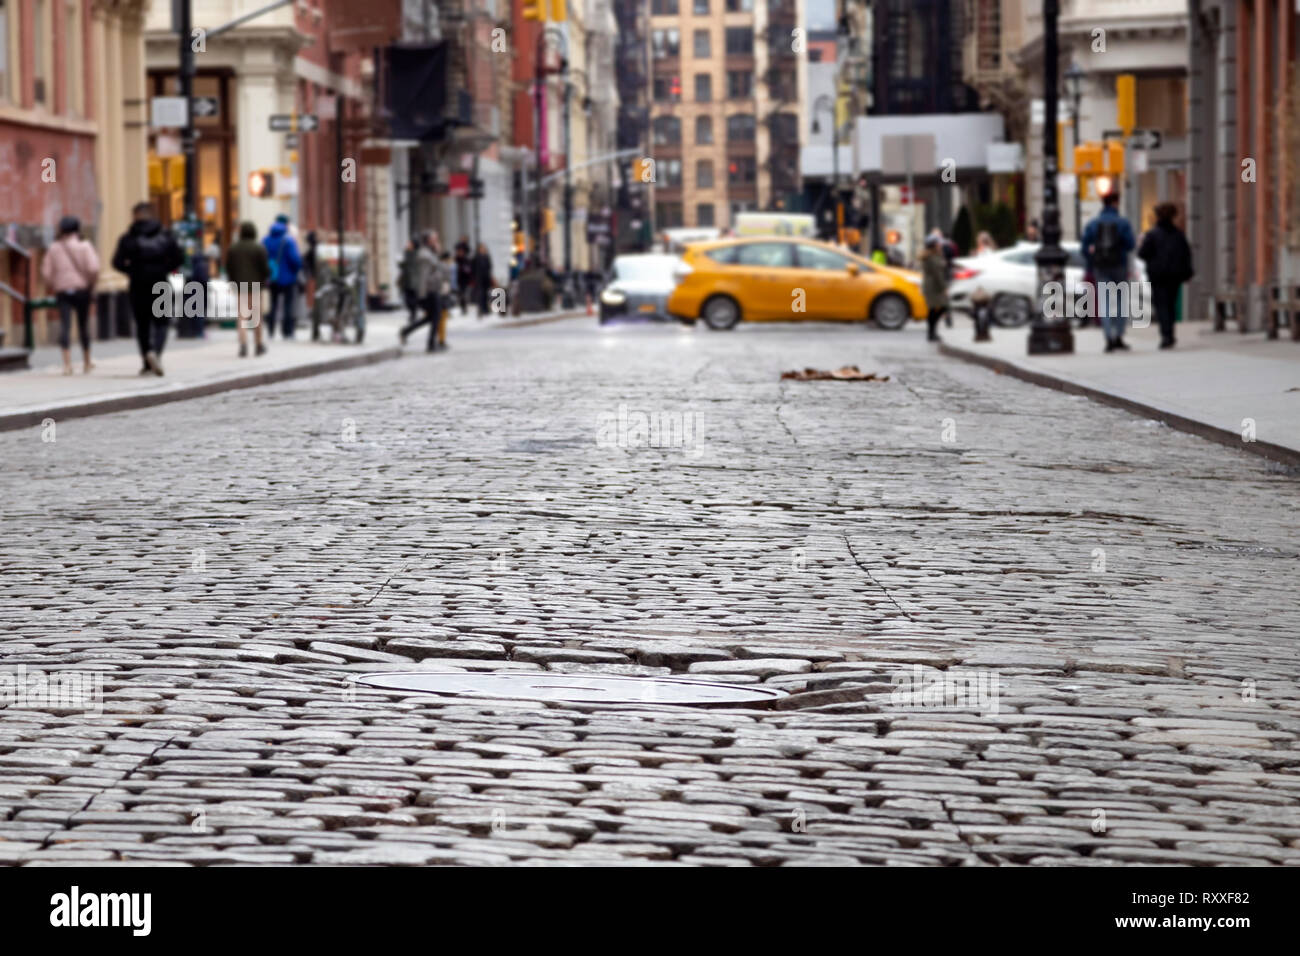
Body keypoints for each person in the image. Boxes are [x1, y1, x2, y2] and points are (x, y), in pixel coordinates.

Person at [112, 201, 183, 376]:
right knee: (162, 322)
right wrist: (164, 268)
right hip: (160, 281)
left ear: (135, 216)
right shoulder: (166, 236)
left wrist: (132, 270)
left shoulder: (129, 238)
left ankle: (146, 358)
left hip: (138, 284)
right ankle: (156, 353)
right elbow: (178, 258)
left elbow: (117, 262)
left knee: (142, 324)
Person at [41, 216, 100, 375]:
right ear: (77, 229)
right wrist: (91, 283)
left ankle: (67, 365)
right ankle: (87, 362)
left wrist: (54, 283)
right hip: (82, 291)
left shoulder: (54, 248)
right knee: (83, 326)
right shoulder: (85, 246)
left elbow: (46, 273)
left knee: (65, 326)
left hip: (62, 291)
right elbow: (93, 268)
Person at [1082, 189, 1137, 352]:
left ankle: (1108, 337)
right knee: (1121, 301)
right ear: (1116, 203)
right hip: (1119, 265)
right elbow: (1131, 245)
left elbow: (1084, 248)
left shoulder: (1093, 223)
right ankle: (1119, 335)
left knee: (1104, 302)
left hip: (1101, 266)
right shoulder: (1123, 223)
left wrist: (1093, 260)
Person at [1138, 202, 1194, 349]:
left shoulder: (1152, 235)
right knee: (1170, 304)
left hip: (1158, 275)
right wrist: (1187, 272)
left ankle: (1166, 335)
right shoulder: (1178, 234)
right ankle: (1169, 333)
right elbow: (1186, 255)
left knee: (1161, 304)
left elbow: (1142, 253)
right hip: (1174, 275)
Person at [225, 221, 270, 358]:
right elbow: (264, 268)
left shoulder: (234, 248)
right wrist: (264, 278)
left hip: (240, 286)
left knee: (242, 317)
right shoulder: (259, 248)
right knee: (256, 317)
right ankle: (258, 344)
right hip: (256, 286)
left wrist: (232, 282)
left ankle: (243, 344)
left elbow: (229, 268)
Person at [399, 232, 449, 351]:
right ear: (428, 241)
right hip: (429, 291)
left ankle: (406, 331)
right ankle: (431, 344)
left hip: (434, 289)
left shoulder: (430, 254)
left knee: (431, 317)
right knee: (436, 316)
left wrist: (437, 252)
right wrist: (421, 295)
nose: (437, 241)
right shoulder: (424, 255)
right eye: (434, 239)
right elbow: (423, 276)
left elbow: (440, 269)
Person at [262, 214, 302, 340]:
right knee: (287, 305)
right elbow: (295, 260)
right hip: (288, 278)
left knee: (273, 304)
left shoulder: (265, 240)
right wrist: (295, 271)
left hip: (272, 277)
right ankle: (287, 331)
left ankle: (271, 330)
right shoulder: (288, 240)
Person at [920, 235, 949, 343]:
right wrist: (944, 288)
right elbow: (937, 274)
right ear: (933, 245)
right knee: (942, 307)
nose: (940, 244)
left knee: (933, 309)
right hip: (934, 287)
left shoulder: (933, 255)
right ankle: (931, 333)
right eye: (938, 243)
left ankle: (932, 333)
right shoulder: (931, 257)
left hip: (931, 286)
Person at [397, 239, 419, 325]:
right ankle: (412, 314)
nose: (407, 244)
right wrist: (399, 262)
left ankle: (413, 315)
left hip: (414, 280)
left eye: (409, 243)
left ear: (413, 245)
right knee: (407, 299)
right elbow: (403, 265)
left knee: (413, 299)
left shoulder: (417, 253)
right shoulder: (406, 253)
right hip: (406, 279)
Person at [472, 242, 493, 318]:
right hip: (479, 278)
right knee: (481, 294)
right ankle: (481, 309)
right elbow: (474, 268)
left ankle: (486, 309)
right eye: (481, 248)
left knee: (486, 294)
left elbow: (489, 266)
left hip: (486, 278)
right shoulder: (477, 258)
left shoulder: (487, 257)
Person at [454, 236, 472, 314]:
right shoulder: (456, 259)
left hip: (464, 279)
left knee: (464, 294)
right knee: (460, 294)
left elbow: (468, 269)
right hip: (458, 279)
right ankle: (462, 306)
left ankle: (464, 307)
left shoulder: (466, 259)